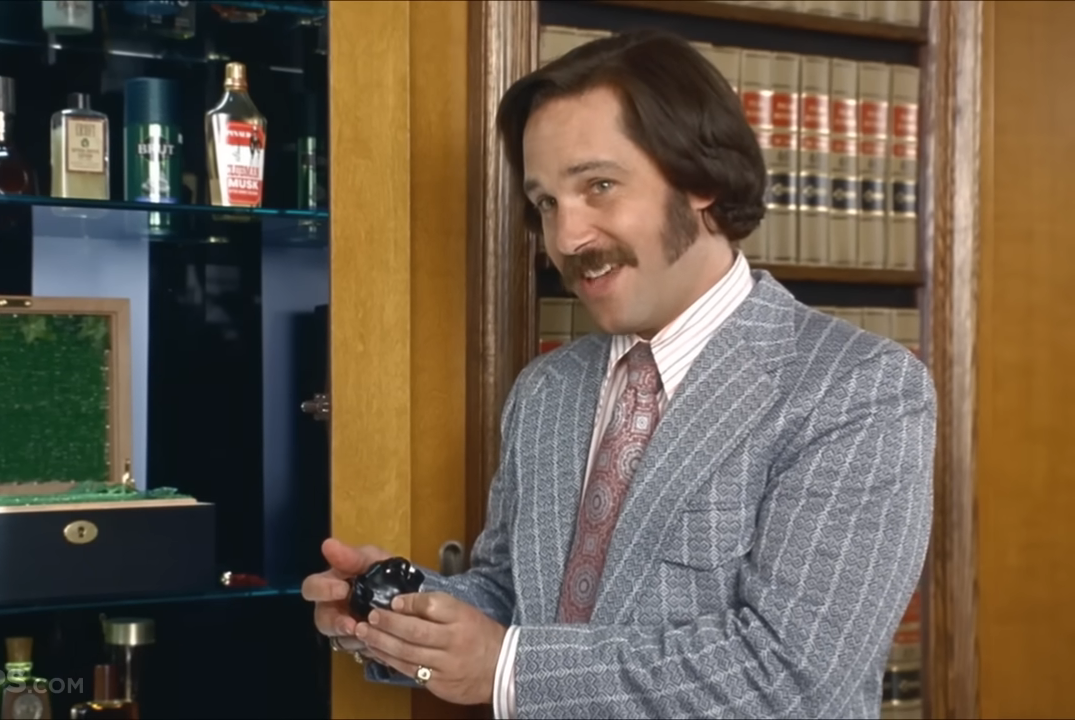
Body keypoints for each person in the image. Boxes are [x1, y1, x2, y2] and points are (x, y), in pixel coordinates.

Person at [301, 27, 935, 720]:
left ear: (698, 179)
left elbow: (787, 676)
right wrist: (399, 617)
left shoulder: (858, 390)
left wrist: (507, 667)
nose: (567, 239)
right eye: (546, 203)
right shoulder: (546, 390)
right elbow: (515, 604)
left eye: (599, 186)